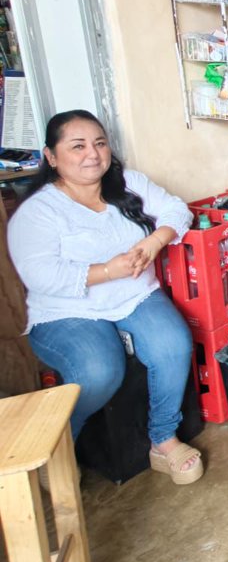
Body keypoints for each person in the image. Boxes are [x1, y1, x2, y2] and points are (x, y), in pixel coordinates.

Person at [7, 110, 203, 485]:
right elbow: (42, 277)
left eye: (99, 143)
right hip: (67, 311)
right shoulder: (38, 213)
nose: (93, 154)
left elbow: (176, 209)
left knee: (173, 346)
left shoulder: (128, 182)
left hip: (135, 295)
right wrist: (108, 271)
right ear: (51, 156)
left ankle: (163, 438)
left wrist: (154, 241)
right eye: (77, 146)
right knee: (100, 371)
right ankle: (59, 446)